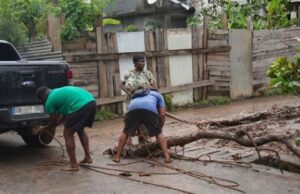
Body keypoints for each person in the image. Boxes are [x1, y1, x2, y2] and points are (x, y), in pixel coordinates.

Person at [36, 86, 96, 171]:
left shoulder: (49, 102)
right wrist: (54, 125)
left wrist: (45, 128)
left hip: (80, 105)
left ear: (42, 98)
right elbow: (63, 116)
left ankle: (73, 165)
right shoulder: (57, 92)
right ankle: (87, 157)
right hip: (91, 102)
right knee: (80, 129)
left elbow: (53, 121)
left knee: (67, 133)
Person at [113, 89, 172, 163]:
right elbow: (162, 114)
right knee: (158, 133)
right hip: (148, 108)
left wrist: (139, 133)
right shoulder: (158, 95)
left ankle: (117, 156)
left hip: (132, 109)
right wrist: (160, 128)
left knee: (125, 132)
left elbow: (139, 119)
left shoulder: (139, 94)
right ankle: (167, 157)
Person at [120, 55, 156, 144]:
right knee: (129, 119)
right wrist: (129, 93)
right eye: (141, 61)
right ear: (135, 63)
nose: (143, 63)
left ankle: (142, 138)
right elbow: (121, 84)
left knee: (143, 119)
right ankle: (129, 139)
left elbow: (154, 87)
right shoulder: (129, 73)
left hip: (144, 100)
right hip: (131, 100)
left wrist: (146, 89)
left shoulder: (147, 73)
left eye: (144, 61)